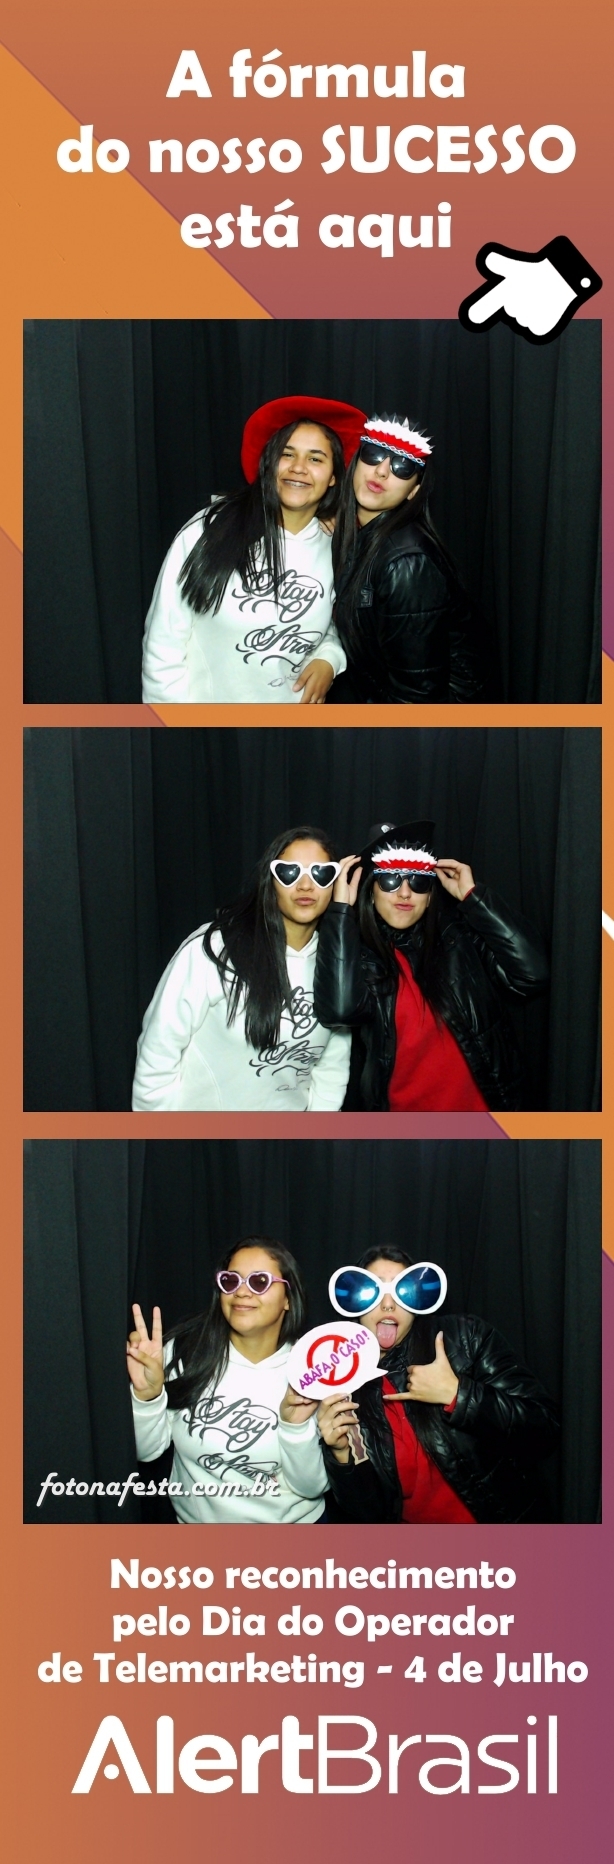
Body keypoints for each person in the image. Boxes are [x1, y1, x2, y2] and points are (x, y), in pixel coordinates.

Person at [285, 1249, 558, 1524]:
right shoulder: (341, 1382)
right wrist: (342, 1454)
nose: (388, 1304)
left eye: (403, 1292)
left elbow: (544, 1428)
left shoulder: (464, 1339)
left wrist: (457, 1394)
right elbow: (368, 1513)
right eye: (372, 1291)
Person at [142, 395, 365, 704]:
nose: (299, 468)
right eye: (287, 454)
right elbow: (164, 641)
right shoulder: (211, 529)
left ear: (333, 477)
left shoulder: (336, 545)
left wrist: (329, 657)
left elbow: (329, 625)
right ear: (269, 464)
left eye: (315, 459)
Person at [313, 819, 549, 1111]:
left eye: (418, 881)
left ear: (429, 895)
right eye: (390, 880)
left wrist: (474, 898)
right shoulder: (360, 956)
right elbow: (338, 1010)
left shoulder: (459, 939)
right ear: (371, 891)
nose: (405, 892)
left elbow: (532, 974)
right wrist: (340, 913)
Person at [132, 825, 352, 1111]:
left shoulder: (336, 963)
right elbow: (159, 1050)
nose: (305, 885)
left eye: (322, 874)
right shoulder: (216, 948)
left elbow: (332, 1069)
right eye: (289, 872)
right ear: (270, 881)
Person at [127, 1238, 328, 1526]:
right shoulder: (185, 1354)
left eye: (259, 1281)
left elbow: (311, 1488)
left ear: (288, 1298)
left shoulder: (315, 1368)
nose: (241, 1291)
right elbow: (146, 1452)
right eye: (230, 1281)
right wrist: (147, 1396)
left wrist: (295, 1429)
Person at [328, 413, 487, 703]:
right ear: (355, 463)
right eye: (373, 454)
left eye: (402, 466)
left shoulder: (407, 561)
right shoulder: (356, 538)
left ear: (413, 491)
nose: (381, 471)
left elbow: (418, 697)